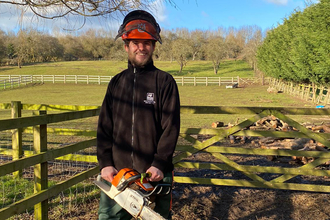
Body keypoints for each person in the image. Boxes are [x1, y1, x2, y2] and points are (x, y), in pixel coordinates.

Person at [96, 10, 181, 220]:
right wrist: (106, 162)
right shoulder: (116, 83)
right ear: (126, 46)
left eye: (146, 43)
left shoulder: (164, 82)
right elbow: (105, 127)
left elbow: (171, 128)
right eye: (135, 42)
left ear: (153, 46)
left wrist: (160, 163)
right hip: (118, 174)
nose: (141, 47)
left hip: (154, 175)